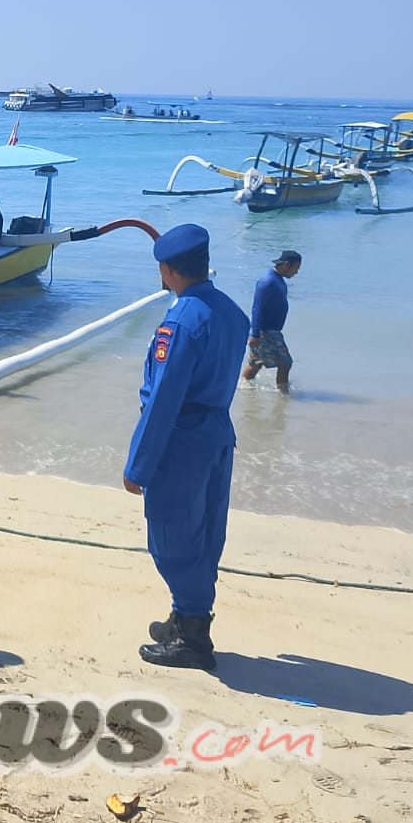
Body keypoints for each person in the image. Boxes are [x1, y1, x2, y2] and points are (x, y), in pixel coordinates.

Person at [123, 223, 249, 671]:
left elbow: (163, 400)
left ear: (168, 270)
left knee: (173, 535)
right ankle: (185, 616)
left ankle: (194, 638)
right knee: (206, 530)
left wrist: (138, 466)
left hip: (182, 437)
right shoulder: (231, 311)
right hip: (216, 430)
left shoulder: (181, 320)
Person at [241, 251, 302, 394]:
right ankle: (283, 395)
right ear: (287, 265)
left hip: (270, 330)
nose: (297, 272)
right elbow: (257, 308)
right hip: (266, 331)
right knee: (286, 363)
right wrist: (255, 334)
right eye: (296, 268)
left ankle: (243, 389)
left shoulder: (278, 280)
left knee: (256, 363)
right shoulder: (267, 282)